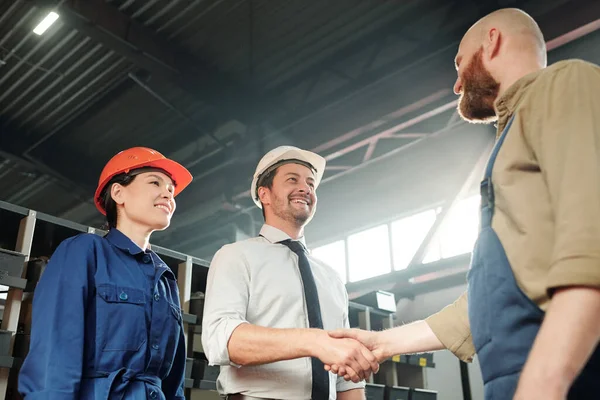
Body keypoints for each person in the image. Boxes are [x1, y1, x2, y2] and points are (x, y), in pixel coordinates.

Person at [327, 8, 600, 400]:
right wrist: (379, 343)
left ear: (492, 40)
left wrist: (544, 382)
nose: (456, 85)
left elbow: (591, 241)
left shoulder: (563, 84)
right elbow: (478, 308)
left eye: (459, 63)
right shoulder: (509, 142)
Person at [201, 145, 379, 400]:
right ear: (265, 194)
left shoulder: (330, 276)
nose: (305, 188)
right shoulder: (236, 256)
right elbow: (221, 340)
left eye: (310, 183)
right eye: (292, 179)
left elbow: (344, 380)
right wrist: (313, 341)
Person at [19, 147, 193, 400]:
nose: (167, 193)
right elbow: (54, 350)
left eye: (171, 189)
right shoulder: (85, 252)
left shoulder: (165, 279)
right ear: (118, 192)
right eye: (155, 181)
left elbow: (174, 378)